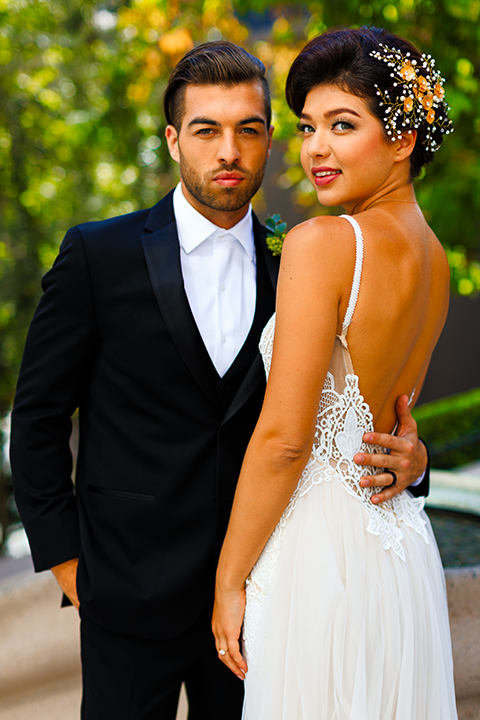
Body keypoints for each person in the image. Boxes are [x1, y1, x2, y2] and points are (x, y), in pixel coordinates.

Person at [10, 40, 429, 719]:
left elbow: (349, 406)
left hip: (266, 599)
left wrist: (418, 463)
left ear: (268, 140)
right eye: (207, 130)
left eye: (249, 129)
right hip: (126, 595)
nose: (228, 151)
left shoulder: (297, 261)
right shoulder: (99, 255)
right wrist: (72, 567)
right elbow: (36, 421)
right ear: (175, 141)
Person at [213, 27, 457, 719]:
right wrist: (416, 458)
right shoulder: (435, 261)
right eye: (307, 127)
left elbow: (286, 439)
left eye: (342, 125)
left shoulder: (324, 244)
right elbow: (394, 424)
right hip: (399, 552)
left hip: (319, 557)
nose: (315, 149)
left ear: (402, 139)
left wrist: (229, 581)